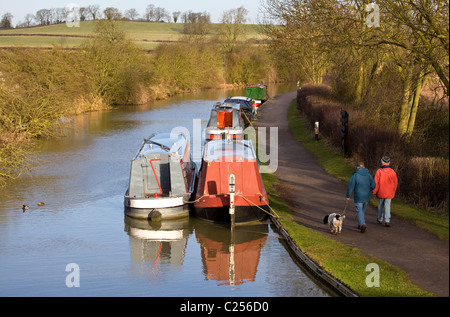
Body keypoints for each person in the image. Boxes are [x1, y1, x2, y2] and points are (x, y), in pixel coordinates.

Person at [346, 162, 376, 233]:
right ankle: (360, 223)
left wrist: (348, 195)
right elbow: (373, 184)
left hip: (358, 196)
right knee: (363, 210)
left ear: (357, 167)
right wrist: (369, 189)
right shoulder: (368, 175)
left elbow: (351, 186)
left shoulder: (355, 175)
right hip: (366, 196)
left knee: (359, 210)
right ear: (364, 167)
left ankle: (362, 223)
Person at [372, 156, 398, 227]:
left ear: (382, 162)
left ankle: (380, 219)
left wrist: (374, 192)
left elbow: (376, 183)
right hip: (389, 192)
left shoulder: (379, 171)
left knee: (380, 206)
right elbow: (395, 183)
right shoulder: (393, 172)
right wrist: (393, 190)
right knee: (387, 206)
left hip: (381, 191)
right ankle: (387, 220)